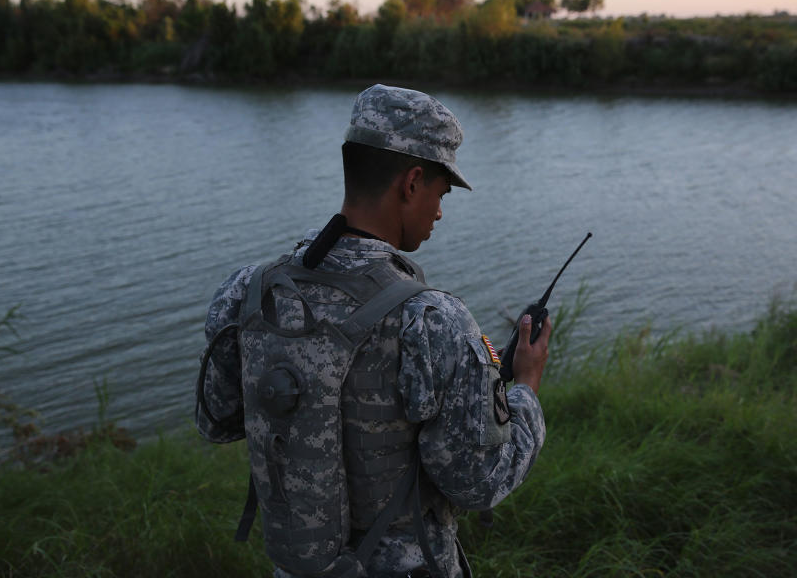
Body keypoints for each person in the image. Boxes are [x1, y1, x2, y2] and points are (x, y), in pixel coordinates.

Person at [196, 84, 551, 578]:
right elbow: (478, 483)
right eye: (440, 193)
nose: (440, 212)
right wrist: (526, 388)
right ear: (411, 183)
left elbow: (216, 421)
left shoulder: (249, 290)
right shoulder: (433, 320)